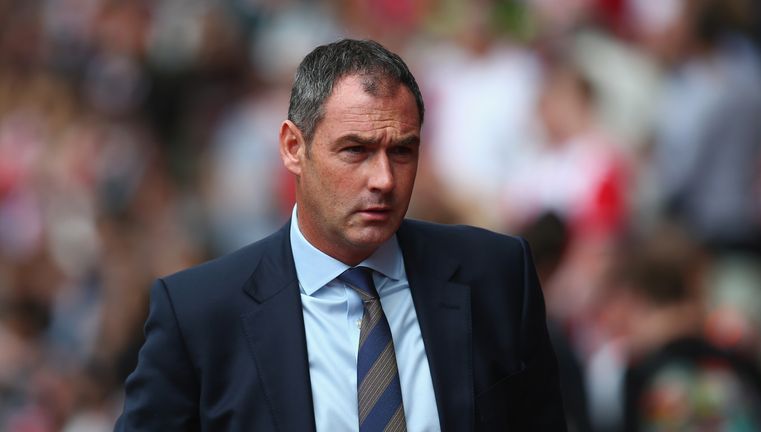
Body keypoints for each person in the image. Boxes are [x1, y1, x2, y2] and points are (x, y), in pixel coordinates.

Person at [115, 39, 565, 431]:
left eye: (403, 151)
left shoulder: (497, 275)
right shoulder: (199, 314)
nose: (384, 179)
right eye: (356, 150)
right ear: (294, 147)